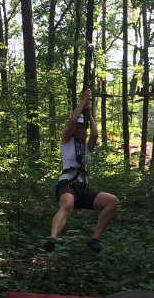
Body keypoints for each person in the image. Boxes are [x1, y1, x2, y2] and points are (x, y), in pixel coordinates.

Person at [44, 89, 118, 253]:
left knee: (112, 201)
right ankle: (52, 238)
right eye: (77, 128)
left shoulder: (86, 147)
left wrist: (89, 113)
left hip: (82, 188)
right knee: (67, 205)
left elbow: (95, 134)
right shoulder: (66, 142)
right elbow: (72, 121)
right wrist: (84, 101)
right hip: (67, 184)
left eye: (82, 128)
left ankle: (94, 239)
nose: (79, 130)